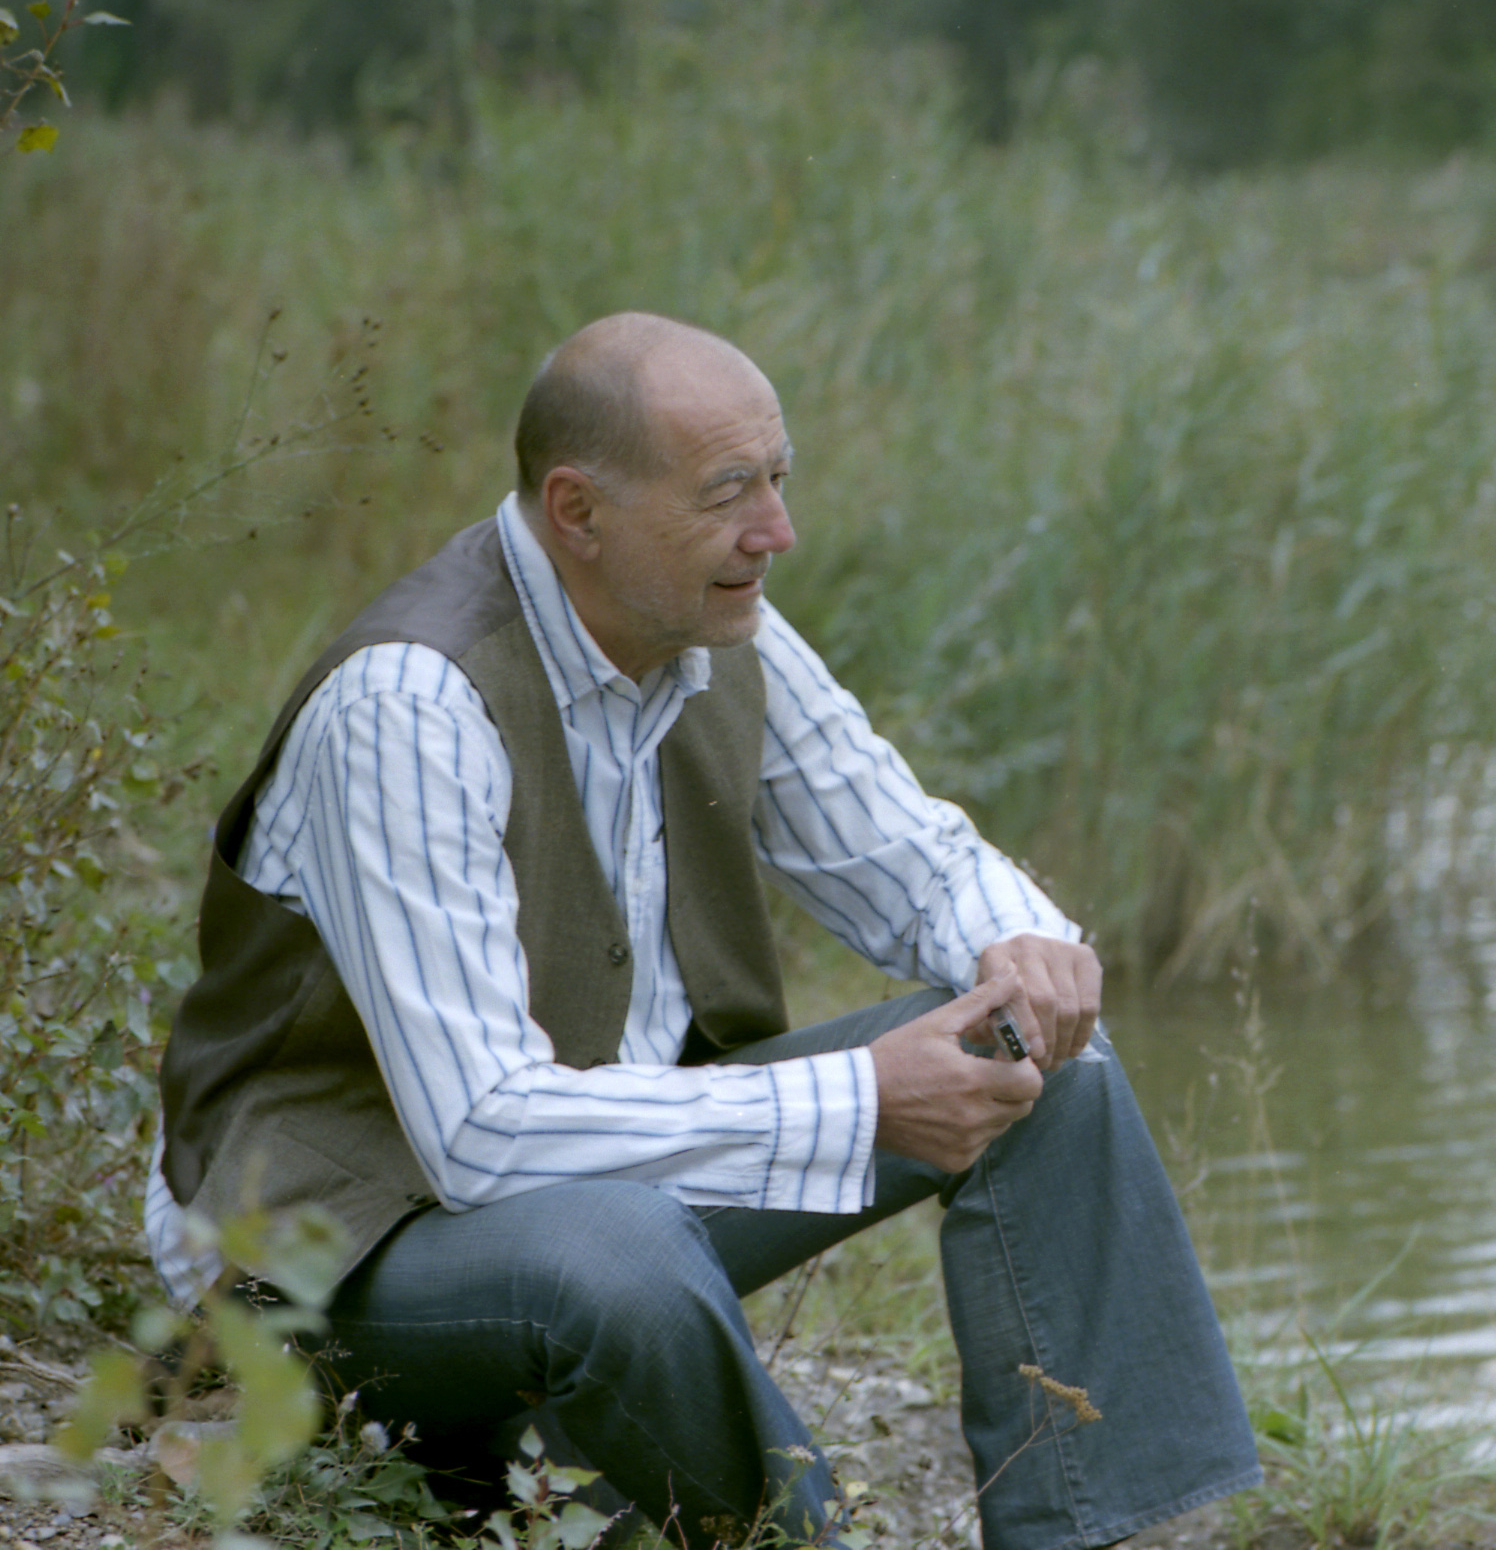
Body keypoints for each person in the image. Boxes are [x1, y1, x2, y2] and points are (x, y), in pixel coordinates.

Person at [146, 312, 1260, 1549]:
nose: (777, 530)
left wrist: (1024, 948)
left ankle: (1078, 1533)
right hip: (326, 1270)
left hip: (595, 1218)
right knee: (616, 1248)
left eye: (779, 479)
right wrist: (864, 1099)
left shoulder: (715, 626)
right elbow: (480, 1135)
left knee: (1039, 1062)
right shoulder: (408, 707)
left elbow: (912, 861)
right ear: (578, 511)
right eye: (729, 493)